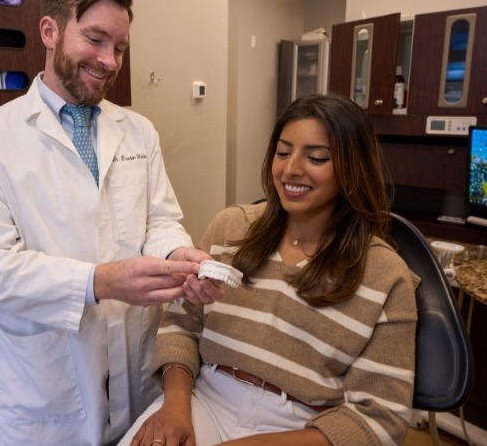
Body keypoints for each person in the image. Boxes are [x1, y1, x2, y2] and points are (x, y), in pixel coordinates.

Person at [0, 0, 222, 446]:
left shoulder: (138, 131)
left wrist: (177, 254)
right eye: (95, 39)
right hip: (50, 390)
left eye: (119, 47)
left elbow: (160, 219)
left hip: (137, 373)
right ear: (50, 31)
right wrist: (101, 281)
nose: (109, 60)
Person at [120, 93, 420, 446]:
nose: (291, 169)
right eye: (282, 152)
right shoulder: (230, 228)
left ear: (352, 169)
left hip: (304, 427)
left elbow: (381, 417)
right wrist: (173, 407)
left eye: (316, 157)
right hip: (204, 399)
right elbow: (182, 325)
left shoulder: (386, 275)